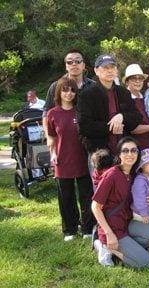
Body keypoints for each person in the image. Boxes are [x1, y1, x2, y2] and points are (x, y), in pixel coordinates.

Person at [91, 137, 149, 268]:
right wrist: (109, 233)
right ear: (119, 154)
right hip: (113, 227)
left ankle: (126, 247)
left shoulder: (135, 175)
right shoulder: (112, 175)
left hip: (128, 222)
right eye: (125, 151)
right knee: (146, 263)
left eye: (134, 150)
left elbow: (146, 192)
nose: (130, 154)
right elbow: (95, 206)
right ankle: (106, 245)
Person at [46, 77, 94, 241]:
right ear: (59, 91)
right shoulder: (52, 114)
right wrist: (52, 154)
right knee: (66, 196)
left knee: (86, 195)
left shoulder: (81, 111)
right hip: (62, 160)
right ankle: (70, 229)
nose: (69, 93)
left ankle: (87, 228)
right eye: (65, 90)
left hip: (82, 158)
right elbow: (51, 138)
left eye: (72, 90)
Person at [77, 54, 142, 155]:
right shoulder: (87, 95)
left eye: (112, 67)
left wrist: (121, 116)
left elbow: (137, 117)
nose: (110, 70)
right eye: (105, 67)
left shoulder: (124, 93)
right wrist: (112, 127)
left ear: (116, 71)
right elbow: (84, 126)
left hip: (125, 151)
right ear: (96, 70)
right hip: (100, 152)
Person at [43, 49, 94, 148]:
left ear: (83, 65)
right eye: (70, 62)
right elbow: (46, 112)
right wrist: (49, 137)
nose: (74, 64)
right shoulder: (56, 86)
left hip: (90, 139)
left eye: (78, 61)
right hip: (63, 141)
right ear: (66, 66)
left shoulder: (93, 86)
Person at [122, 64, 149, 152]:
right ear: (127, 82)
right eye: (134, 78)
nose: (137, 81)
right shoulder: (124, 100)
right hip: (135, 148)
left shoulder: (147, 96)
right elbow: (131, 129)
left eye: (140, 78)